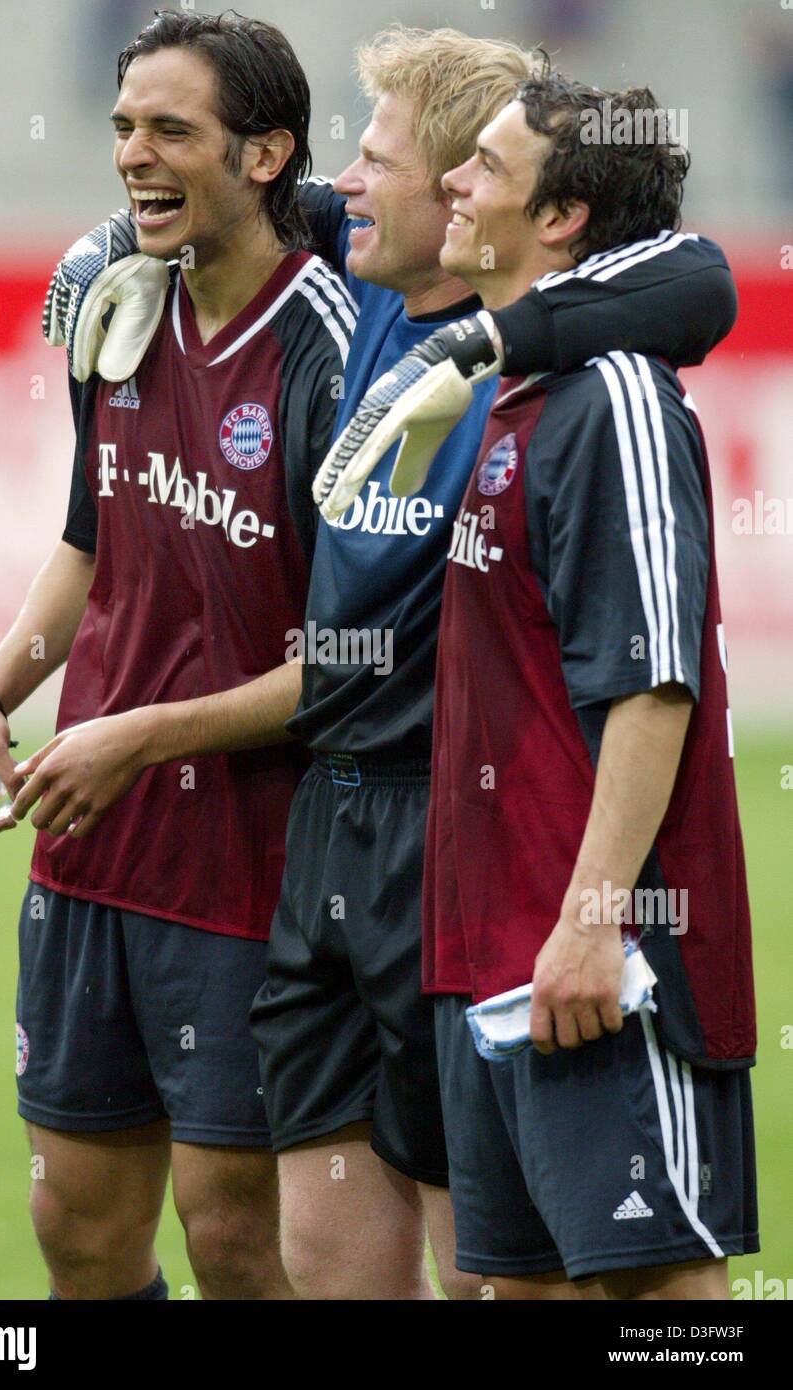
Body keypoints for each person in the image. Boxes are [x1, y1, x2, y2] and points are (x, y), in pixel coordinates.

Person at [47, 25, 738, 1300]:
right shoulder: (359, 280)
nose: (349, 182)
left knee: (533, 1270)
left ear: (475, 189)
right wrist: (101, 246)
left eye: (388, 160)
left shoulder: (544, 372)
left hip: (454, 833)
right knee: (324, 1263)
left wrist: (487, 341)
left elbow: (699, 279)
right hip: (329, 824)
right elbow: (213, 194)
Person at [0, 10, 353, 1301]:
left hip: (248, 859)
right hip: (88, 839)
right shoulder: (113, 305)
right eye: (122, 126)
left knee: (232, 1233)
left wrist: (137, 735)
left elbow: (355, 660)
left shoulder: (330, 351)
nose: (134, 156)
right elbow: (85, 545)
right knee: (77, 1227)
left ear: (268, 151)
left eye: (172, 129)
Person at [423, 68, 758, 1298]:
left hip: (601, 960)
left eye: (489, 169)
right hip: (496, 952)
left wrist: (591, 917)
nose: (456, 181)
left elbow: (652, 680)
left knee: (651, 1293)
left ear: (559, 218)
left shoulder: (610, 396)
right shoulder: (521, 386)